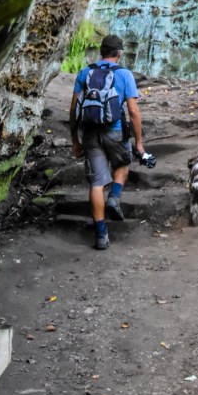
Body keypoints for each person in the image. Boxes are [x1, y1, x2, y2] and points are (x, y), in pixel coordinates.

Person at [69, 33, 145, 250]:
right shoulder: (124, 74)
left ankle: (101, 235)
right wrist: (138, 142)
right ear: (119, 53)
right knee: (122, 166)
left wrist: (75, 139)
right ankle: (114, 197)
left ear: (100, 51)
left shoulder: (85, 72)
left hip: (90, 134)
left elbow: (74, 109)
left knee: (96, 183)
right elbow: (133, 111)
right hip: (116, 132)